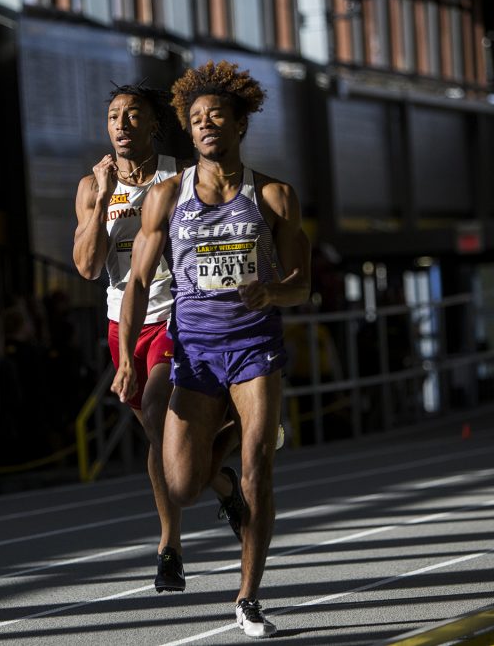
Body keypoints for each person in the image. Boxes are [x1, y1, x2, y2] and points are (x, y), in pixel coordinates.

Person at [112, 61, 311, 638]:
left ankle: (248, 598)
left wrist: (271, 290)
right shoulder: (166, 198)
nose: (204, 125)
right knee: (181, 485)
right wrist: (126, 356)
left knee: (259, 471)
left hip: (254, 347)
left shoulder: (273, 196)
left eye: (216, 115)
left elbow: (302, 285)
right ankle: (236, 450)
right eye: (195, 118)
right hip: (194, 351)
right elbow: (139, 283)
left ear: (240, 124)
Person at [74, 83, 206, 592]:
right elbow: (87, 268)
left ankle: (168, 546)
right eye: (113, 117)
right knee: (158, 435)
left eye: (133, 116)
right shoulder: (92, 186)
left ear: (154, 125)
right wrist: (105, 199)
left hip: (180, 314)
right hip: (122, 323)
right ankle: (219, 483)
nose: (122, 125)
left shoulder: (181, 175)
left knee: (155, 412)